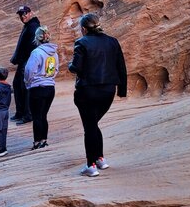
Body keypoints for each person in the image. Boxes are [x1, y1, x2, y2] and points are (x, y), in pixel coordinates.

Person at [68, 13, 127, 177]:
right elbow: (121, 66)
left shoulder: (82, 42)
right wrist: (122, 90)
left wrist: (69, 66)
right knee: (93, 124)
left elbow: (76, 67)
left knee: (90, 126)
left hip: (88, 91)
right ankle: (100, 159)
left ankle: (91, 165)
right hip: (108, 91)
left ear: (84, 29)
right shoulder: (112, 41)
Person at [24, 26, 58, 151]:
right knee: (43, 115)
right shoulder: (54, 52)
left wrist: (28, 83)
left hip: (38, 87)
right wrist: (49, 78)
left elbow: (29, 70)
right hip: (50, 87)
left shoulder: (37, 52)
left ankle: (37, 142)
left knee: (37, 116)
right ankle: (44, 140)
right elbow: (56, 69)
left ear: (37, 38)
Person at [9, 5, 40, 125]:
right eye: (21, 14)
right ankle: (20, 112)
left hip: (28, 62)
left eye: (25, 13)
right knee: (17, 85)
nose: (23, 16)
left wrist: (28, 63)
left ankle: (28, 115)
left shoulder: (33, 27)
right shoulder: (28, 26)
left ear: (31, 13)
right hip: (23, 61)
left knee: (25, 87)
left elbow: (34, 46)